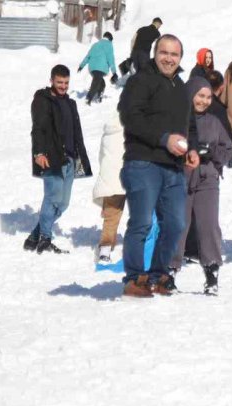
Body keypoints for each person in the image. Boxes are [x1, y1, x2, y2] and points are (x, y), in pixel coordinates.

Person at [118, 34, 200, 298]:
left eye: (174, 54)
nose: (169, 59)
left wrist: (192, 148)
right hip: (143, 162)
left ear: (180, 58)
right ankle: (134, 278)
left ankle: (158, 274)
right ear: (155, 53)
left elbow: (190, 125)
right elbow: (130, 117)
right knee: (142, 222)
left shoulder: (181, 87)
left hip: (173, 167)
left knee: (176, 223)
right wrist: (164, 139)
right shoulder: (141, 80)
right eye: (164, 52)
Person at [169, 78, 232, 295]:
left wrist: (211, 153)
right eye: (200, 96)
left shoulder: (214, 121)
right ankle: (170, 270)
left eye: (208, 97)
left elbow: (228, 148)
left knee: (209, 225)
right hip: (181, 179)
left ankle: (211, 272)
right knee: (179, 224)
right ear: (190, 94)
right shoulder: (176, 119)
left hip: (207, 179)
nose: (204, 101)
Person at [24, 65, 92, 256]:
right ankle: (45, 239)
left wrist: (80, 158)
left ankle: (34, 237)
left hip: (69, 158)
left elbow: (77, 133)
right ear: (51, 80)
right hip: (51, 157)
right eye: (59, 82)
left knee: (63, 203)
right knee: (52, 198)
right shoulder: (43, 100)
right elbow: (38, 128)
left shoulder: (70, 103)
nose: (63, 86)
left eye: (66, 83)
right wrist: (39, 153)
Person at [92, 113, 126, 264]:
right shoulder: (137, 128)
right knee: (140, 216)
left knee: (111, 216)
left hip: (111, 179)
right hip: (132, 176)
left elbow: (101, 156)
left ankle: (105, 250)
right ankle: (141, 250)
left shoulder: (108, 133)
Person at [78, 32, 118, 105]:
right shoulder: (109, 45)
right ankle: (88, 99)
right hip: (101, 68)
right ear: (110, 39)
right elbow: (111, 59)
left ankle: (99, 97)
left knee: (102, 84)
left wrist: (81, 66)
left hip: (92, 68)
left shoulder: (95, 44)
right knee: (96, 83)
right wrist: (114, 72)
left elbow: (88, 56)